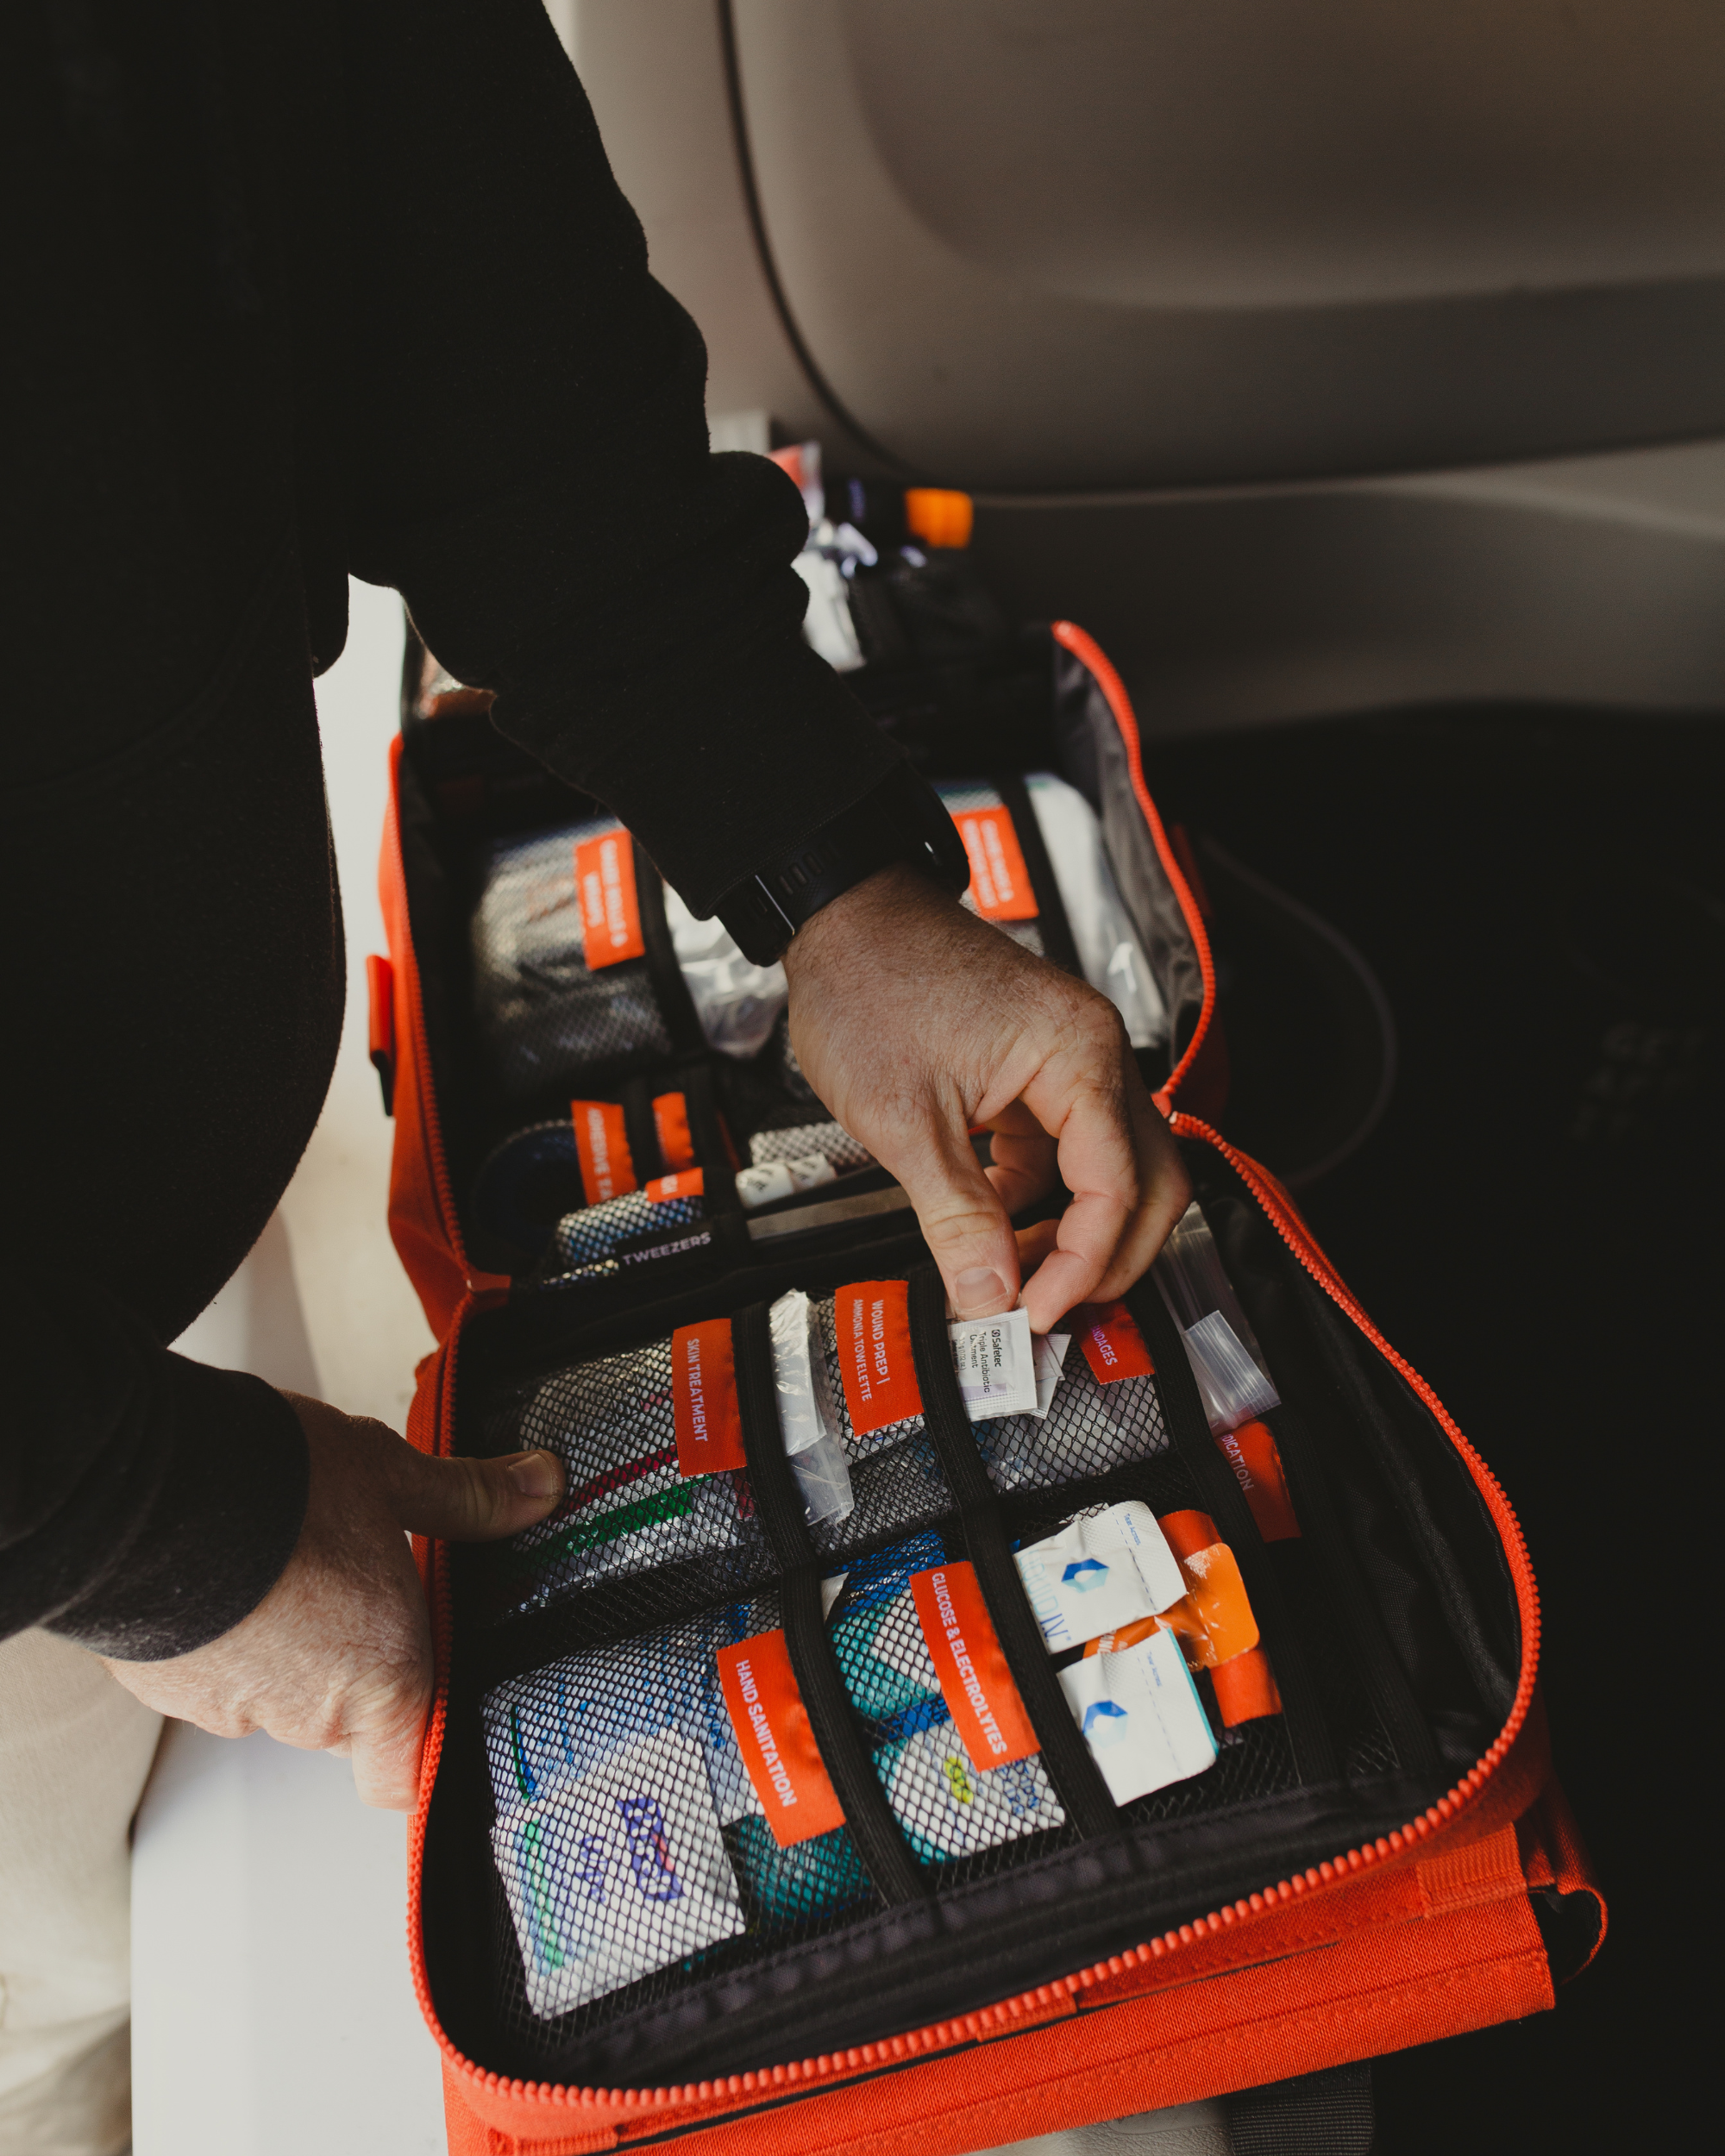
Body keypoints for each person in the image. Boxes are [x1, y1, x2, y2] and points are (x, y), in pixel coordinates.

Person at [0, 3, 1189, 2149]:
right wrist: (127, 1516)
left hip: (117, 1203)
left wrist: (828, 871)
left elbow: (461, 301)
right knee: (55, 1997)